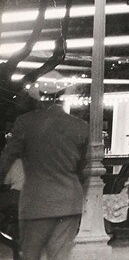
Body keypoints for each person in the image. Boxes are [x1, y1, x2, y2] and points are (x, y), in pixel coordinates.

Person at [0, 89, 90, 260]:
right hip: (69, 202)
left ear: (38, 99)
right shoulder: (80, 125)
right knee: (59, 256)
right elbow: (84, 168)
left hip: (36, 202)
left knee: (30, 254)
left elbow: (7, 158)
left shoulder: (25, 122)